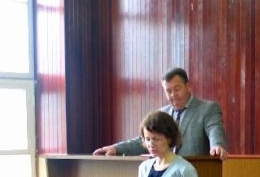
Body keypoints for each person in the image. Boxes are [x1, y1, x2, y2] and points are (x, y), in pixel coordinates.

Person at [94, 67, 229, 160]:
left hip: (197, 175)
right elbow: (144, 140)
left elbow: (214, 129)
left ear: (188, 86)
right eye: (168, 91)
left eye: (177, 89)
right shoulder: (161, 114)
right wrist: (116, 149)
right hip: (165, 176)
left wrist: (217, 145)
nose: (173, 94)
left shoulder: (207, 108)